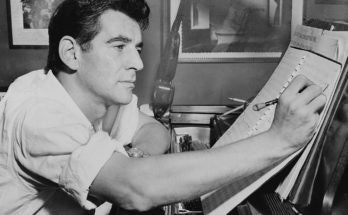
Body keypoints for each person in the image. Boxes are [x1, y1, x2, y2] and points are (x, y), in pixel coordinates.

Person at [0, 0, 326, 214]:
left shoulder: (101, 96)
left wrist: (139, 153)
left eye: (137, 48)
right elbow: (135, 189)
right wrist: (278, 140)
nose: (138, 63)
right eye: (119, 47)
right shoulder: (38, 114)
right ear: (72, 53)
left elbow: (152, 129)